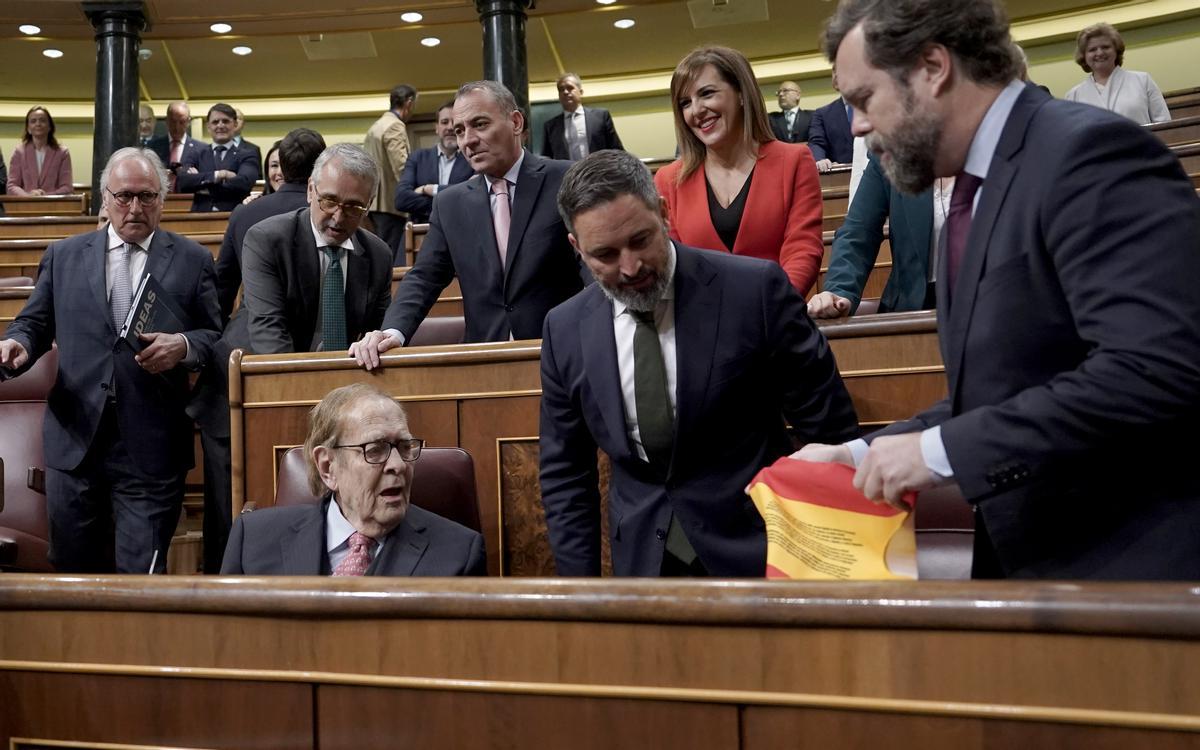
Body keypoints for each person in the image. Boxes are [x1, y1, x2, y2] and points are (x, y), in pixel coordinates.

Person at [797, 0, 1200, 580]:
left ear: (933, 68)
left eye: (864, 100)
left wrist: (939, 455)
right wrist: (862, 453)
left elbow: (1153, 369)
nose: (857, 125)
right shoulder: (982, 181)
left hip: (1131, 573)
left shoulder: (1088, 154)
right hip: (1047, 565)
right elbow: (1009, 383)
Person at [540, 150, 859, 577]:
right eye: (606, 255)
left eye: (640, 240)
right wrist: (580, 598)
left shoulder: (754, 292)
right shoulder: (564, 331)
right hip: (643, 564)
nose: (630, 267)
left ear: (663, 212)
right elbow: (566, 477)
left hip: (758, 553)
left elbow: (828, 429)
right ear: (577, 248)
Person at [0, 147, 221, 573]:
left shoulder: (193, 260)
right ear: (104, 198)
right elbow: (33, 325)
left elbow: (213, 336)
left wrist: (184, 345)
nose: (135, 207)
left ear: (163, 199)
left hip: (152, 444)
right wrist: (18, 346)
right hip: (77, 442)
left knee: (141, 580)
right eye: (123, 196)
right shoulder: (64, 256)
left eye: (146, 197)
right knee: (73, 573)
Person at [351, 80, 586, 367]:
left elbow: (591, 262)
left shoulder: (565, 180)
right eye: (460, 131)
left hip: (565, 354)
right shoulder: (450, 204)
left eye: (480, 124)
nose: (468, 140)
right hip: (484, 362)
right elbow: (424, 277)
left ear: (515, 122)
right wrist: (392, 332)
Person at [220, 383, 486, 576]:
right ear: (328, 467)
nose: (398, 465)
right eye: (375, 449)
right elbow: (226, 645)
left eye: (405, 448)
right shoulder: (253, 539)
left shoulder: (459, 554)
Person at [654, 46, 825, 294]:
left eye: (707, 93)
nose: (697, 110)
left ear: (742, 94)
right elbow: (673, 266)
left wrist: (771, 309)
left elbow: (803, 249)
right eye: (685, 103)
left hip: (777, 317)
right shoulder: (668, 179)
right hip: (705, 322)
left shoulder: (795, 160)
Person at [241, 143, 393, 355]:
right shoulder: (268, 240)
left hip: (342, 377)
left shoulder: (378, 255)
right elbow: (270, 336)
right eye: (330, 201)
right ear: (311, 190)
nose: (338, 218)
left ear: (369, 204)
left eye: (353, 207)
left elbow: (378, 333)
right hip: (260, 371)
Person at [807, 151, 941, 317]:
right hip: (910, 311)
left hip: (977, 304)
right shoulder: (890, 152)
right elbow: (857, 233)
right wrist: (839, 291)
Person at [216, 129, 326, 321]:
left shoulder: (243, 213)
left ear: (283, 164)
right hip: (322, 330)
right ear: (322, 166)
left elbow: (223, 285)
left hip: (251, 331)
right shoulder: (332, 214)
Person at [1064, 22, 1170, 125]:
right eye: (1092, 50)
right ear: (1084, 56)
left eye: (1105, 47)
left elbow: (1164, 124)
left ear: (1116, 50)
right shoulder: (1073, 96)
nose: (1100, 53)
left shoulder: (1143, 81)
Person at [394, 99, 474, 225]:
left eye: (454, 122)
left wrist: (429, 189)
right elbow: (402, 199)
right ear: (437, 128)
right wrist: (450, 203)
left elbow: (475, 196)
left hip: (460, 231)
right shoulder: (417, 158)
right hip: (420, 235)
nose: (449, 127)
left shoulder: (472, 158)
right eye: (444, 122)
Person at [364, 84, 418, 261]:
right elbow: (401, 167)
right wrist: (413, 193)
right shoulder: (395, 126)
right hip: (391, 204)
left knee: (378, 250)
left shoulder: (376, 126)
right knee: (391, 256)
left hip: (374, 203)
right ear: (409, 102)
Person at [175, 102, 262, 211]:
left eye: (225, 121)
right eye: (215, 122)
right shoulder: (196, 154)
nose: (220, 125)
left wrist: (201, 183)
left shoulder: (248, 154)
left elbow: (244, 183)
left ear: (235, 124)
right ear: (208, 127)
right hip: (200, 217)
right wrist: (219, 175)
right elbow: (183, 182)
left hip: (233, 215)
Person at [540, 73, 625, 161]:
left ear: (580, 92)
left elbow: (617, 150)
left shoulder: (601, 116)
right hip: (567, 173)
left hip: (599, 171)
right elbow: (547, 158)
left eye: (570, 88)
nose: (565, 92)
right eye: (561, 89)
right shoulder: (551, 126)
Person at [6, 106, 73, 196]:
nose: (38, 124)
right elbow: (12, 186)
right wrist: (28, 196)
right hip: (25, 206)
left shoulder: (62, 152)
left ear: (50, 127)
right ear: (28, 128)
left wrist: (46, 196)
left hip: (54, 206)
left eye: (42, 120)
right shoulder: (19, 152)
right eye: (33, 121)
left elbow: (67, 188)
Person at [807, 67, 855, 171]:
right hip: (841, 175)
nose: (837, 74)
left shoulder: (877, 106)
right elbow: (816, 142)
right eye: (834, 70)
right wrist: (819, 159)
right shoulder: (822, 114)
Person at [147, 101, 202, 192]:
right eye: (173, 121)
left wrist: (198, 177)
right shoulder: (152, 147)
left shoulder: (201, 149)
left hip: (188, 201)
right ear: (166, 121)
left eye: (182, 122)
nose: (177, 127)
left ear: (188, 121)